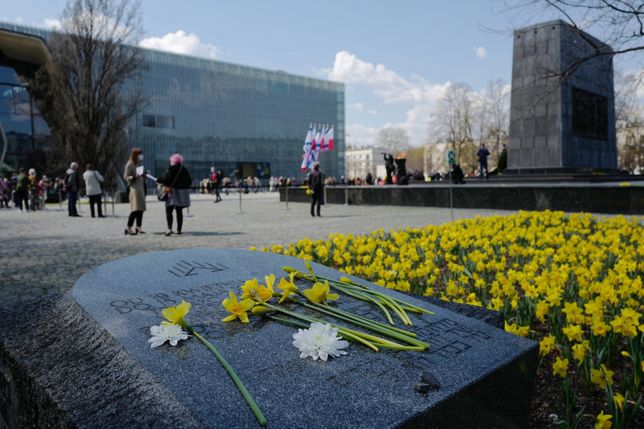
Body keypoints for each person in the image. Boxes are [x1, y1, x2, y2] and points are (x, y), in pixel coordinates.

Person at [157, 153, 192, 236]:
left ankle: (169, 229)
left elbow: (167, 180)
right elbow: (189, 181)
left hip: (172, 192)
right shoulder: (184, 169)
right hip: (182, 192)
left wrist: (159, 179)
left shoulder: (171, 169)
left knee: (169, 210)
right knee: (179, 211)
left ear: (172, 161)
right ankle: (179, 229)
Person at [124, 148, 146, 235]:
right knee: (135, 209)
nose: (141, 156)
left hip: (140, 188)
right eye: (140, 154)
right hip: (134, 189)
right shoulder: (130, 163)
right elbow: (126, 176)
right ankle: (128, 227)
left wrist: (143, 174)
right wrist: (134, 177)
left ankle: (138, 226)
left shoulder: (137, 163)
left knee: (141, 209)